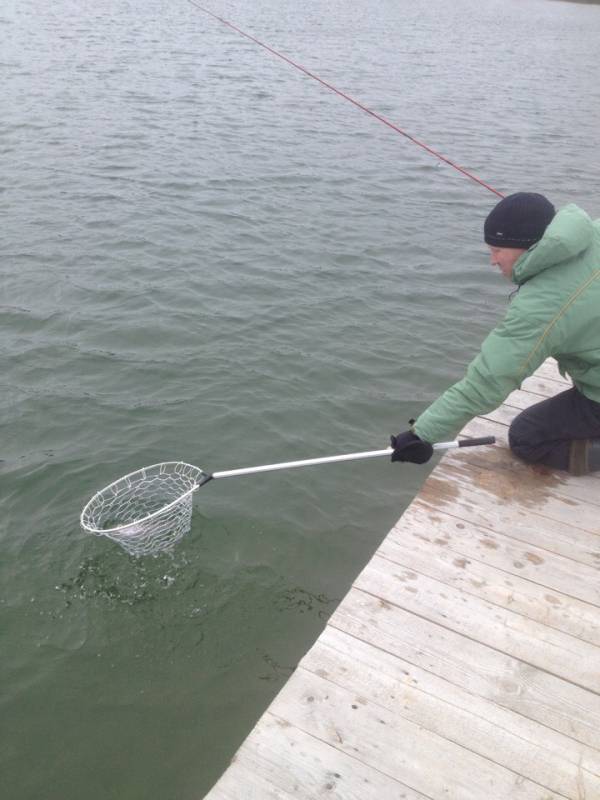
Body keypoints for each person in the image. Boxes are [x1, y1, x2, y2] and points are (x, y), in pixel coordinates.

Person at [390, 192, 600, 475]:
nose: (492, 260)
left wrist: (423, 434)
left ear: (527, 246)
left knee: (527, 437)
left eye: (497, 250)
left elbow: (489, 380)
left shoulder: (541, 306)